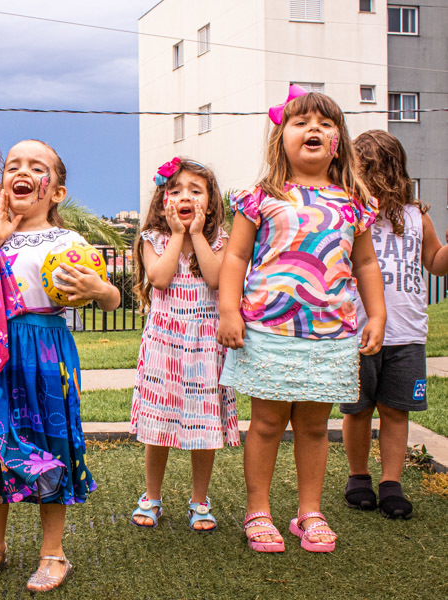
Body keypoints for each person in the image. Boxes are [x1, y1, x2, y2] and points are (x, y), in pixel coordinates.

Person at [217, 86, 386, 554]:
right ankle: (258, 511)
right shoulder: (260, 197)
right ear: (281, 138)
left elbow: (366, 264)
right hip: (268, 331)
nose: (314, 128)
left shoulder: (355, 200)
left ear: (339, 139)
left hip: (331, 335)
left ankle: (309, 511)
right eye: (301, 121)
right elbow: (235, 257)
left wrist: (379, 314)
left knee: (314, 427)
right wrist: (229, 310)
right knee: (267, 424)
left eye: (326, 122)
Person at [0, 140, 121, 592]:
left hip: (48, 353)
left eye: (36, 167)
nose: (21, 172)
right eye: (12, 166)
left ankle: (53, 554)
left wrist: (98, 289)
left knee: (51, 445)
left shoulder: (69, 241)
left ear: (57, 191)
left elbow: (111, 298)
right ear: (3, 181)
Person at [341, 130, 448, 519]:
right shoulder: (352, 215)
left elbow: (436, 262)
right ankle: (358, 477)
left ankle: (390, 483)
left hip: (407, 333)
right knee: (358, 410)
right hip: (358, 331)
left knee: (396, 411)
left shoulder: (416, 217)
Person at [129, 158, 239, 532]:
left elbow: (214, 278)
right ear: (164, 201)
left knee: (204, 426)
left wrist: (195, 235)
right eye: (175, 190)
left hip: (205, 347)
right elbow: (159, 279)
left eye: (196, 190)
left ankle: (199, 499)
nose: (185, 196)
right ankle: (152, 496)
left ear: (210, 202)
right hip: (165, 345)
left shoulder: (221, 240)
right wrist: (177, 235)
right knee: (158, 425)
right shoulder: (152, 240)